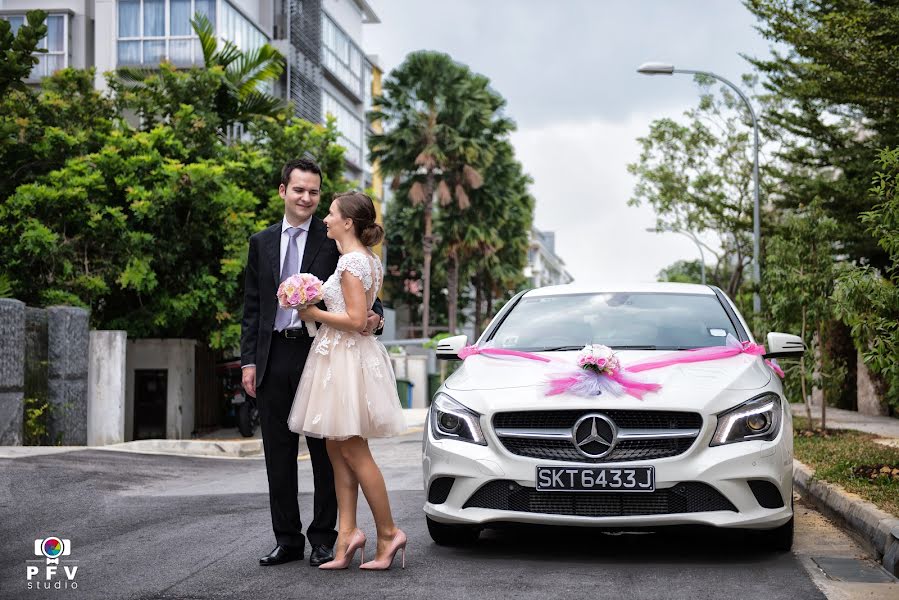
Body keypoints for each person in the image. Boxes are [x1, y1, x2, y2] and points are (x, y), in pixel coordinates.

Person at [240, 159, 385, 567]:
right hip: (272, 355)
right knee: (278, 453)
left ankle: (324, 537)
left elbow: (367, 296)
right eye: (299, 190)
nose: (307, 198)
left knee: (327, 452)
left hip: (320, 354)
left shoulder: (333, 238)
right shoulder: (261, 242)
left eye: (314, 192)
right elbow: (252, 306)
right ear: (282, 190)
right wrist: (248, 361)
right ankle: (286, 539)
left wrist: (376, 320)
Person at [287, 191, 407, 571]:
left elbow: (357, 320)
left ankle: (388, 533)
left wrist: (313, 312)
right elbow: (366, 317)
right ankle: (347, 533)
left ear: (348, 223)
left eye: (332, 213)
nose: (325, 218)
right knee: (337, 452)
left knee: (354, 451)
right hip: (339, 357)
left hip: (344, 359)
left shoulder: (353, 262)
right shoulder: (362, 260)